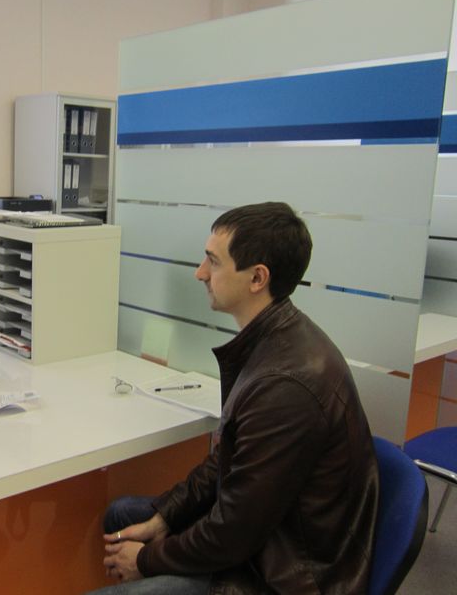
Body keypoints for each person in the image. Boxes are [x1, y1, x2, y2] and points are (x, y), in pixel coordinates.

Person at [94, 202, 379, 594]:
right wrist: (166, 516)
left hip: (281, 576)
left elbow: (233, 534)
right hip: (266, 537)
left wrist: (145, 560)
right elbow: (229, 460)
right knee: (123, 515)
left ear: (257, 278)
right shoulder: (274, 339)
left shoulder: (286, 386)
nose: (200, 273)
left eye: (213, 262)